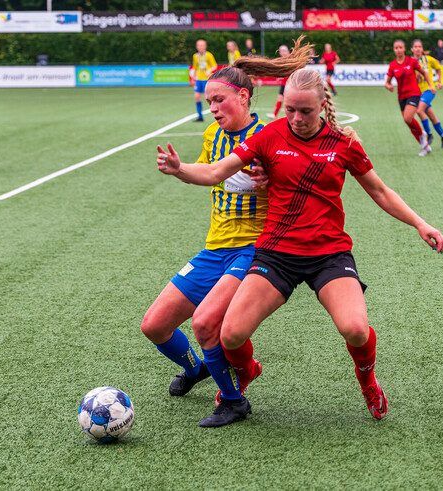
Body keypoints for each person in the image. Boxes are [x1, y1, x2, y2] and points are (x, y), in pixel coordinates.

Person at [156, 68, 443, 428]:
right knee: (229, 334)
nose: (296, 118)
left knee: (355, 328)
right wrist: (179, 168)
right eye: (290, 109)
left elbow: (380, 191)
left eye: (305, 111)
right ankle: (246, 372)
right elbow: (217, 172)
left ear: (323, 105)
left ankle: (368, 381)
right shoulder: (270, 135)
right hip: (276, 254)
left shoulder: (344, 142)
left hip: (329, 254)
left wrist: (421, 223)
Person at [146, 38, 314, 428]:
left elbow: (295, 190)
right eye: (209, 102)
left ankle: (234, 401)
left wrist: (265, 184)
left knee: (206, 323)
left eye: (219, 100)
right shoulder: (212, 135)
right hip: (214, 247)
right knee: (154, 325)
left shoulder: (272, 135)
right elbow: (207, 173)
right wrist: (179, 168)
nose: (214, 108)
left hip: (255, 248)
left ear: (242, 95)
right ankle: (197, 368)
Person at [385, 39, 434, 157]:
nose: (398, 50)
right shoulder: (392, 65)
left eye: (400, 47)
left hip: (414, 93)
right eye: (396, 48)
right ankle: (425, 146)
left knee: (408, 118)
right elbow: (387, 82)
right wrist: (389, 86)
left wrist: (431, 85)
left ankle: (423, 135)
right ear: (394, 50)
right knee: (409, 123)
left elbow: (424, 73)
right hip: (401, 96)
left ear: (404, 49)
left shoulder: (411, 61)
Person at [412, 39, 443, 150]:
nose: (418, 48)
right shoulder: (410, 62)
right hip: (418, 92)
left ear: (422, 49)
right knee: (431, 116)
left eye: (420, 46)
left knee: (419, 110)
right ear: (412, 49)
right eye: (416, 46)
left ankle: (429, 134)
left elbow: (438, 68)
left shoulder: (428, 60)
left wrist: (439, 82)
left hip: (429, 90)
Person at [190, 39, 217, 122]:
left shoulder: (209, 55)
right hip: (199, 80)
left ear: (205, 46)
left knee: (210, 98)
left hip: (207, 80)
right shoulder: (195, 56)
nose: (200, 47)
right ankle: (200, 116)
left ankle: (217, 115)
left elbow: (214, 65)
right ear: (196, 46)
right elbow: (194, 67)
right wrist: (193, 77)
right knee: (197, 97)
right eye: (199, 45)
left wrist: (209, 70)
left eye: (202, 45)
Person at [270, 44, 291, 119]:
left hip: (290, 84)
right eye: (280, 51)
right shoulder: (282, 60)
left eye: (283, 51)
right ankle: (275, 114)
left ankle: (289, 116)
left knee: (288, 101)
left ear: (287, 51)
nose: (281, 52)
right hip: (284, 83)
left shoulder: (291, 59)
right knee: (280, 98)